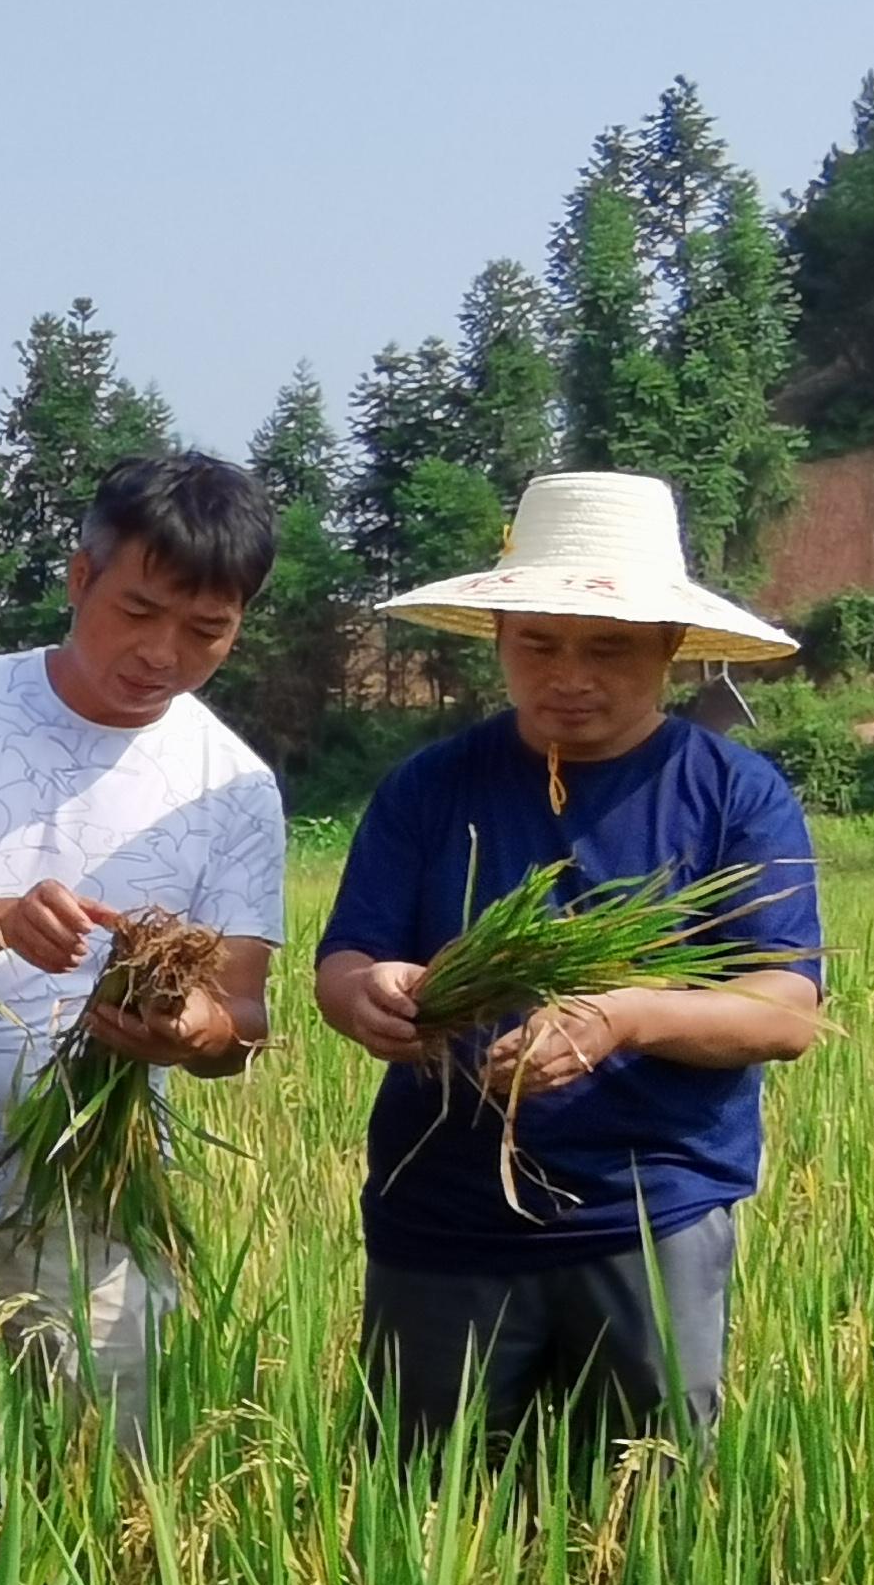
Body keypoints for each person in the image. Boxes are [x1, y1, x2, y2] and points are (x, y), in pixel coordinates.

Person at [311, 469, 824, 1457]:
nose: (569, 676)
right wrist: (371, 995)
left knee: (642, 1506)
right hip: (442, 1214)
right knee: (423, 1504)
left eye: (609, 649)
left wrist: (622, 1017)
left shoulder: (733, 794)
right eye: (538, 644)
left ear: (671, 650)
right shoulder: (431, 787)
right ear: (499, 640)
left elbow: (785, 1010)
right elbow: (347, 963)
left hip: (649, 1214)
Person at [0, 451, 290, 1455]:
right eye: (140, 611)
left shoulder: (229, 787)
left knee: (92, 1481)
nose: (164, 653)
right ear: (79, 578)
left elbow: (243, 1017)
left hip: (86, 1197)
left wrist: (192, 1033)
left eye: (207, 631)